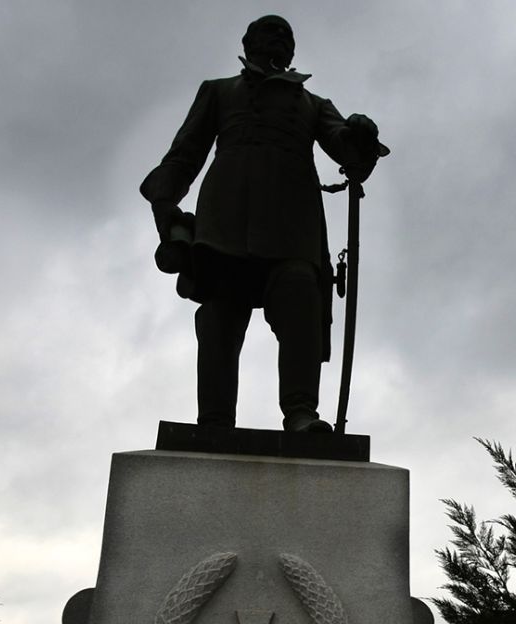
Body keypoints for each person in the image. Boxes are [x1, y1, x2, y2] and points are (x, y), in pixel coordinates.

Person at [141, 14, 385, 432]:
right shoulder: (218, 92)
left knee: (300, 303)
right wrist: (164, 200)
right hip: (226, 220)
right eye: (270, 35)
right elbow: (186, 152)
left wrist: (361, 137)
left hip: (293, 226)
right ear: (249, 43)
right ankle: (215, 421)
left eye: (286, 38)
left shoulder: (312, 104)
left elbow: (348, 155)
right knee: (218, 316)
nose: (279, 42)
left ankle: (301, 413)